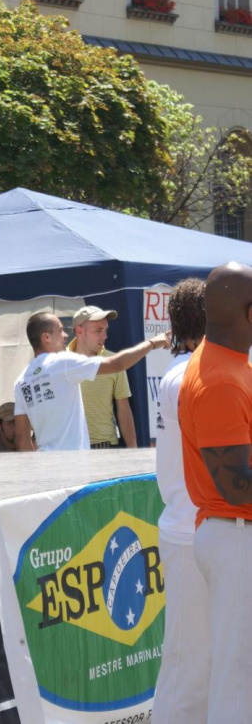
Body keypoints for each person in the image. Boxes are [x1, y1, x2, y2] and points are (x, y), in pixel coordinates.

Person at [178, 262, 252, 724]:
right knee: (238, 675)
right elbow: (235, 481)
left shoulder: (226, 361)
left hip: (232, 534)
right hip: (235, 535)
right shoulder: (221, 378)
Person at [152, 278, 209, 724]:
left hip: (198, 531)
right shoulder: (190, 375)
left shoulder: (188, 371)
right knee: (188, 667)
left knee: (202, 664)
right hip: (195, 533)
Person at [14, 312, 169, 451]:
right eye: (60, 330)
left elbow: (22, 437)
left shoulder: (21, 381)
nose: (65, 335)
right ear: (46, 337)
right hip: (74, 466)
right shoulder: (62, 362)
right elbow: (117, 364)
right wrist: (152, 343)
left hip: (46, 468)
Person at [68, 306, 136, 448]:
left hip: (105, 446)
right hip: (69, 448)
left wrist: (133, 450)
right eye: (98, 330)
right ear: (80, 331)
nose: (104, 336)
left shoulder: (114, 362)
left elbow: (124, 408)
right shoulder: (59, 363)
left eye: (105, 330)